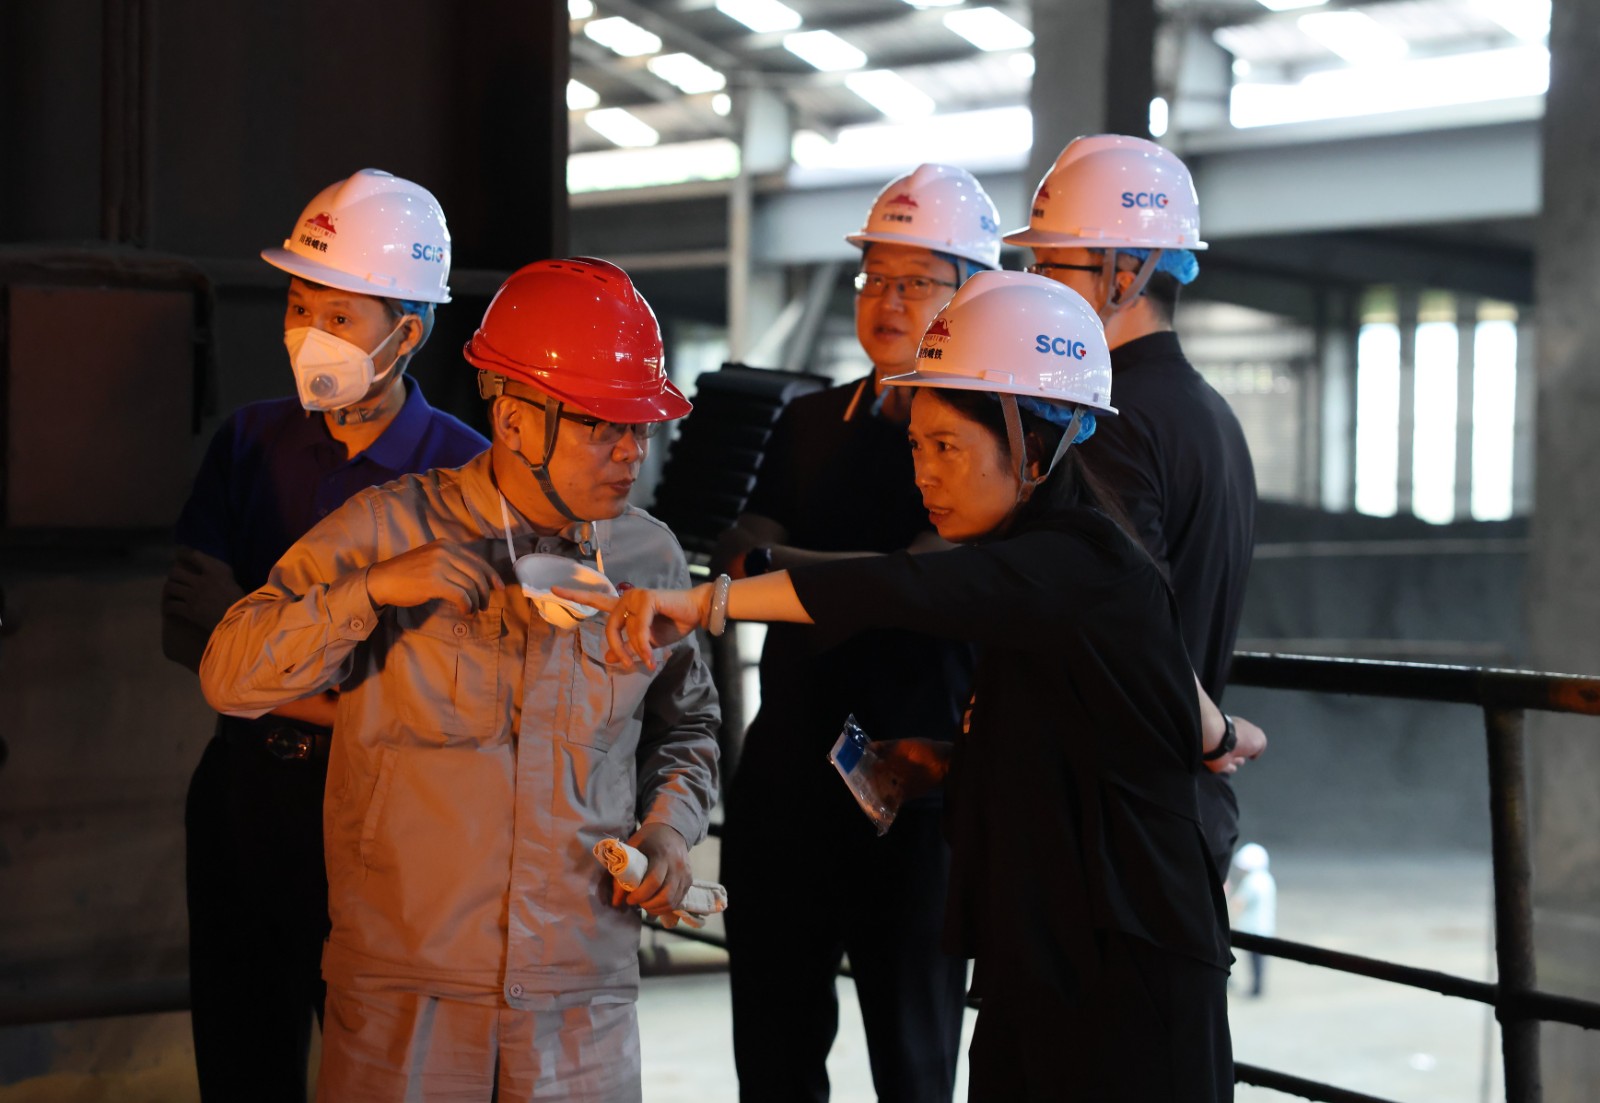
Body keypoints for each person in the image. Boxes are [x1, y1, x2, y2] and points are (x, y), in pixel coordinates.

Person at [567, 271, 1265, 1101]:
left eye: (948, 448)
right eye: (917, 445)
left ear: (1036, 443)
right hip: (1041, 952)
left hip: (1125, 971)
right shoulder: (1041, 558)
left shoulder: (1077, 560)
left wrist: (701, 601)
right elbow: (1097, 714)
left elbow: (898, 587)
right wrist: (949, 759)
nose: (924, 474)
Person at [196, 257, 720, 1102]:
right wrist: (372, 589)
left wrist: (667, 832)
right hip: (407, 993)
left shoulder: (646, 557)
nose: (630, 452)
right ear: (513, 420)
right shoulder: (387, 530)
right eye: (601, 425)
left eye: (641, 428)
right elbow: (230, 674)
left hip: (578, 999)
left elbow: (686, 727)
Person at [160, 168, 487, 1103]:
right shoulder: (248, 442)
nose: (309, 332)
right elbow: (188, 632)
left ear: (407, 333)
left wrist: (256, 638)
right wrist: (346, 683)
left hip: (382, 817)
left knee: (377, 1069)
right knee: (240, 1061)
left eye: (340, 314)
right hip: (240, 796)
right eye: (299, 305)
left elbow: (449, 693)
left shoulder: (463, 474)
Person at [711, 163, 1001, 1103]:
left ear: (972, 292)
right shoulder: (807, 420)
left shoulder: (987, 432)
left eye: (916, 280)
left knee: (914, 1060)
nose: (888, 300)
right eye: (875, 277)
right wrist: (858, 573)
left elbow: (925, 581)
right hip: (787, 778)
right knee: (774, 1052)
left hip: (911, 788)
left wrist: (789, 566)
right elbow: (738, 546)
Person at [1004, 134, 1258, 880]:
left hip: (1105, 826)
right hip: (1165, 813)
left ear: (1125, 274)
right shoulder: (1209, 415)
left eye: (1051, 266)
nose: (1035, 289)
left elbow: (1122, 621)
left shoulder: (1104, 423)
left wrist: (1214, 733)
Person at [1228, 843, 1277, 998]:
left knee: (1253, 959)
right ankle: (1257, 987)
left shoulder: (1251, 881)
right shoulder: (1267, 879)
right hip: (1265, 926)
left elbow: (1238, 903)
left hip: (1251, 928)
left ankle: (1255, 989)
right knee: (1259, 960)